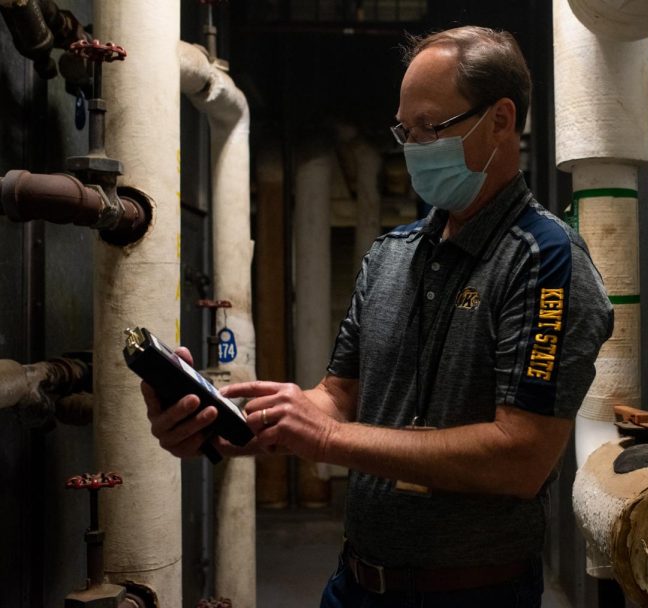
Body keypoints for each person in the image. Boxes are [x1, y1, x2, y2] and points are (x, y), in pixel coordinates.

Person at [143, 25, 613, 608]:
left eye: (430, 128)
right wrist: (224, 424)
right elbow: (337, 398)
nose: (413, 146)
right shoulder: (392, 255)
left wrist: (332, 439)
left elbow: (520, 455)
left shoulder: (545, 262)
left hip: (471, 594)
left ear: (500, 119)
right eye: (405, 130)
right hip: (356, 585)